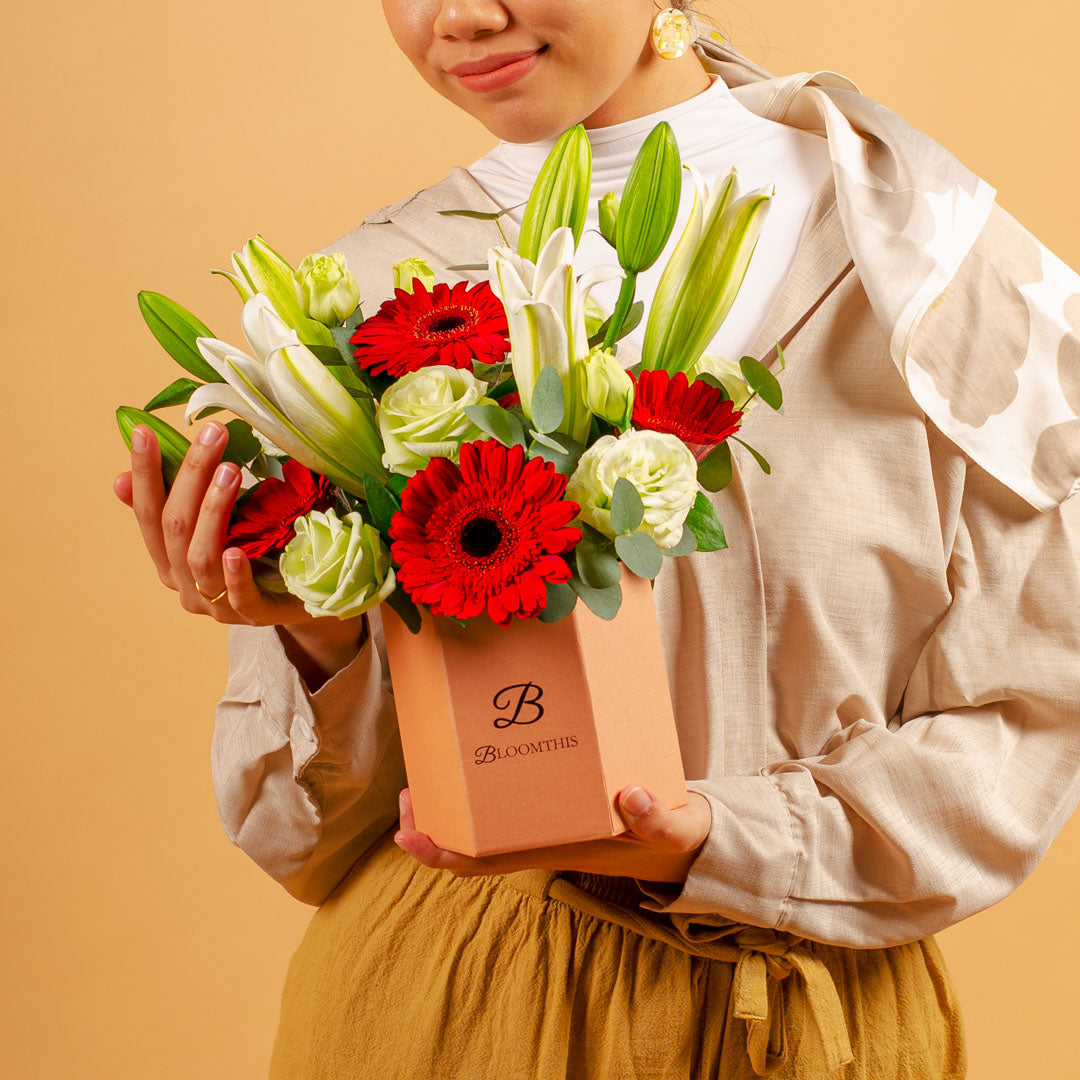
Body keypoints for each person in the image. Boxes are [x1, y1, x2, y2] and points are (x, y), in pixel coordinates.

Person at [112, 2, 1080, 1076]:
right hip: (453, 1009)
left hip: (817, 1024)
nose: (462, 14)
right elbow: (305, 839)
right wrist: (314, 640)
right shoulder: (366, 303)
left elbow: (1025, 724)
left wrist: (728, 837)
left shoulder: (936, 269)